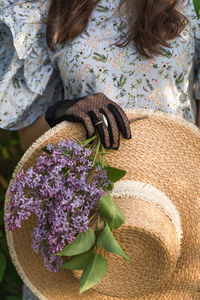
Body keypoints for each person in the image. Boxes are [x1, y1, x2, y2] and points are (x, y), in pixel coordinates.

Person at [0, 0, 200, 298]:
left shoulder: (188, 6)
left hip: (172, 207)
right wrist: (60, 112)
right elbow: (30, 137)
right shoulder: (48, 8)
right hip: (81, 212)